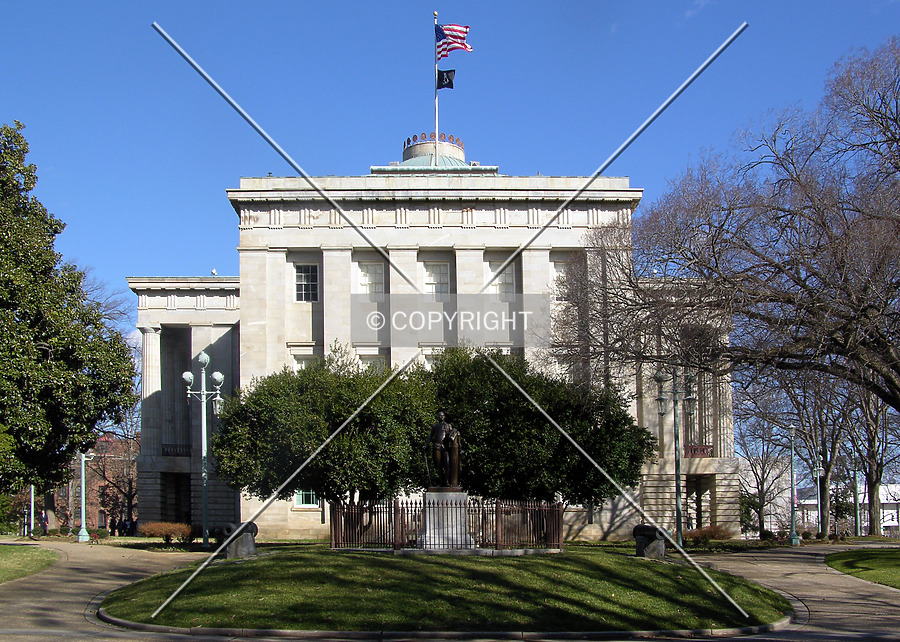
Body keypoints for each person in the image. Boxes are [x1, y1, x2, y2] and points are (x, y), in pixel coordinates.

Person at [426, 411, 460, 488]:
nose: (441, 417)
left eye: (442, 416)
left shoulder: (448, 426)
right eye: (439, 416)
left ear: (444, 417)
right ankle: (441, 481)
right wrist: (426, 445)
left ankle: (447, 481)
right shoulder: (435, 426)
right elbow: (430, 436)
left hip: (445, 447)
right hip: (437, 446)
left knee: (447, 463)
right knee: (439, 464)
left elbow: (453, 435)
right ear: (438, 417)